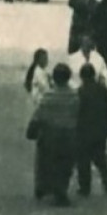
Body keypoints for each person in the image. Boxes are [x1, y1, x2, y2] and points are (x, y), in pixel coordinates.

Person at [28, 64, 79, 205]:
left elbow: (39, 115)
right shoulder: (74, 96)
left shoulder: (48, 96)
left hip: (50, 136)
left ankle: (43, 186)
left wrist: (32, 128)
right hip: (69, 135)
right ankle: (61, 189)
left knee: (45, 162)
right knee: (66, 165)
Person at [75, 63, 107, 197]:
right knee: (101, 160)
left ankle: (85, 187)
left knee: (83, 161)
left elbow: (76, 112)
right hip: (100, 131)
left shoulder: (80, 92)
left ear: (82, 77)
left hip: (83, 132)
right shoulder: (102, 90)